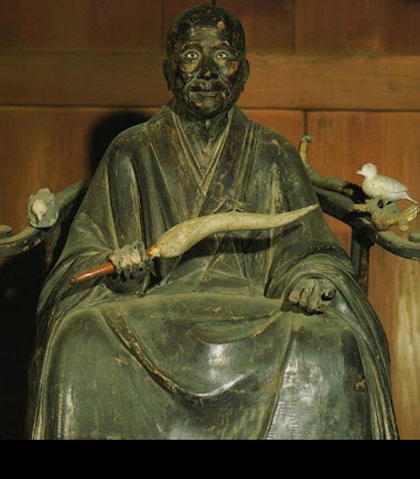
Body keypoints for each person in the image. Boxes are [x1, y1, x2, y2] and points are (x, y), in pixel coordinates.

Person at [25, 4, 398, 439]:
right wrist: (122, 273)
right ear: (168, 70)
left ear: (244, 71)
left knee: (332, 343)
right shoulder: (133, 150)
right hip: (152, 312)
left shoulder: (272, 152)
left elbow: (312, 252)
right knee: (79, 337)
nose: (206, 71)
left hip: (258, 313)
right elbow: (82, 260)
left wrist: (311, 277)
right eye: (190, 56)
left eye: (222, 56)